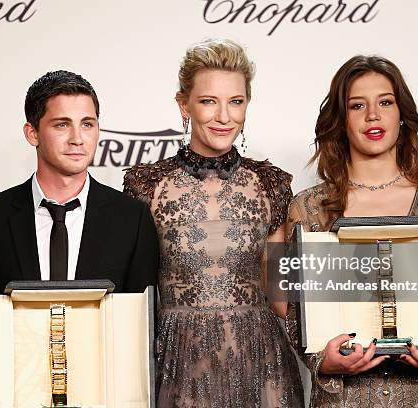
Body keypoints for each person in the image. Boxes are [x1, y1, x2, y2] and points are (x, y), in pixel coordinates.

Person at [0, 70, 159, 388]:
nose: (78, 138)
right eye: (61, 124)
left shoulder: (131, 219)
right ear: (32, 133)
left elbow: (146, 328)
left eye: (88, 124)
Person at [124, 39, 304, 407]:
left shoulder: (272, 184)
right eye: (209, 101)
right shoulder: (146, 185)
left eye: (236, 102)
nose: (224, 116)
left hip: (261, 362)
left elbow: (281, 293)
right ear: (183, 104)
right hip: (178, 362)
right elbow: (132, 294)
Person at [285, 55, 418, 408]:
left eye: (385, 102)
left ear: (402, 114)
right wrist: (322, 362)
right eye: (358, 105)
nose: (373, 115)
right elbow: (297, 316)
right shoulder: (308, 209)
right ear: (341, 121)